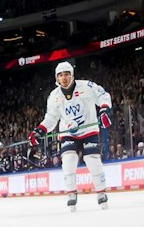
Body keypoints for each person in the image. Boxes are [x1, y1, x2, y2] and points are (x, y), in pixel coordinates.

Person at [32, 60, 113, 209]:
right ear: (56, 78)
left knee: (92, 160)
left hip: (89, 130)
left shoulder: (86, 86)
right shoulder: (54, 96)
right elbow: (51, 117)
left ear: (72, 75)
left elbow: (103, 95)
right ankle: (71, 193)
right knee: (68, 161)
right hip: (68, 132)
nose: (64, 78)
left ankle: (101, 192)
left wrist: (104, 110)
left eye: (67, 74)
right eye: (60, 75)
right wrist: (40, 130)